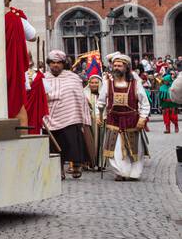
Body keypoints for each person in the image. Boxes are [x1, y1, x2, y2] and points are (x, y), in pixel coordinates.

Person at [98, 52, 150, 181]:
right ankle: (121, 172)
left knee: (134, 148)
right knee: (114, 149)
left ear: (126, 67)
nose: (116, 68)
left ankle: (134, 173)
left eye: (119, 65)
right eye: (115, 65)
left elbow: (144, 103)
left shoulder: (135, 84)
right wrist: (98, 115)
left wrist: (143, 118)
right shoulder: (107, 84)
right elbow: (100, 102)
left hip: (131, 120)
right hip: (113, 120)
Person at [41, 51, 91, 179]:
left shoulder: (73, 78)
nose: (55, 65)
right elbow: (40, 97)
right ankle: (58, 169)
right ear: (49, 64)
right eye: (53, 63)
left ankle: (76, 165)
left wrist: (81, 115)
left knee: (71, 143)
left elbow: (79, 97)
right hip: (49, 117)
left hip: (69, 116)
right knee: (53, 146)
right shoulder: (42, 78)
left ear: (63, 64)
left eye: (58, 63)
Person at [2, 0, 38, 122]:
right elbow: (33, 36)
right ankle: (21, 138)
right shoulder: (17, 17)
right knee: (18, 101)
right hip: (13, 64)